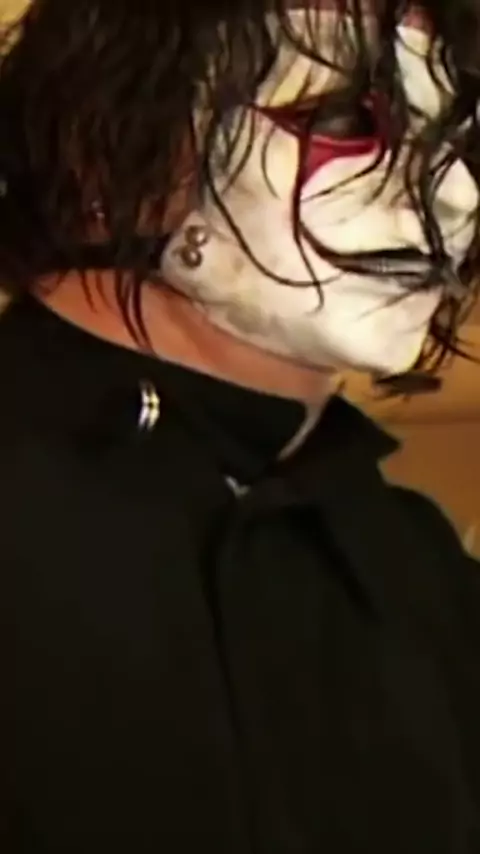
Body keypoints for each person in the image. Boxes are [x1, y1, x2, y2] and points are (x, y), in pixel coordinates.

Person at [0, 0, 479, 850]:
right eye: (345, 119)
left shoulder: (416, 567)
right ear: (104, 149)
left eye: (460, 143)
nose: (455, 194)